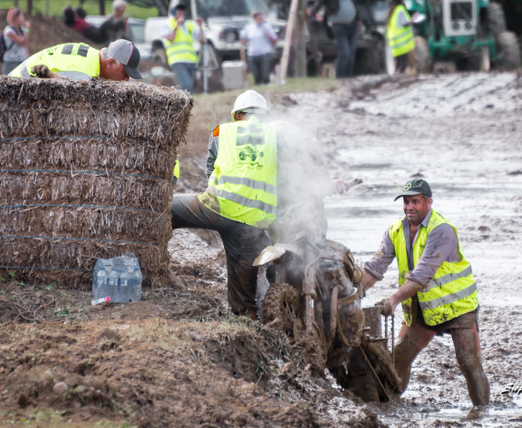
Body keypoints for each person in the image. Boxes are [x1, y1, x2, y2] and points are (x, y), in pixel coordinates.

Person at [171, 90, 344, 320]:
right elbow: (306, 144)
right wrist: (326, 181)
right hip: (252, 222)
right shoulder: (275, 132)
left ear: (237, 115)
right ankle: (249, 317)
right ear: (264, 115)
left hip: (217, 207)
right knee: (244, 302)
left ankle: (155, 267)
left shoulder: (220, 132)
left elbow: (210, 172)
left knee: (164, 210)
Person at [363, 178, 490, 407]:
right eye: (406, 202)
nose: (409, 207)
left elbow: (422, 274)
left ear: (428, 202)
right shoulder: (395, 230)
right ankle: (388, 406)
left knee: (468, 362)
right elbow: (376, 267)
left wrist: (393, 300)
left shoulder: (441, 230)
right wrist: (356, 291)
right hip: (422, 308)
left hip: (457, 306)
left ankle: (482, 411)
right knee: (398, 357)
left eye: (415, 202)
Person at [9, 39, 142, 81]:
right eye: (125, 73)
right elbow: (63, 83)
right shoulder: (85, 73)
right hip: (15, 88)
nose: (126, 80)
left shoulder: (90, 53)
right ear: (111, 63)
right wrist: (52, 76)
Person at [162, 2, 205, 94]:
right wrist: (177, 24)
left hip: (190, 60)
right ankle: (182, 101)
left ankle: (183, 100)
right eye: (179, 12)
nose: (181, 14)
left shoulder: (189, 24)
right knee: (186, 85)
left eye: (183, 12)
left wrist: (200, 26)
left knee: (190, 86)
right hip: (177, 60)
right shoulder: (169, 23)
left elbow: (201, 40)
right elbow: (170, 38)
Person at [310, 0, 358, 78]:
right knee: (345, 53)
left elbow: (355, 6)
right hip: (339, 27)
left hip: (352, 25)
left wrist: (358, 19)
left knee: (352, 53)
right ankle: (340, 77)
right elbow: (320, 2)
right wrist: (313, 11)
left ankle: (348, 77)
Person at [240, 12, 278, 85]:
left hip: (265, 54)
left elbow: (274, 39)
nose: (261, 20)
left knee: (265, 74)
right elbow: (243, 38)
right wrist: (244, 41)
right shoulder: (249, 27)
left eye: (262, 18)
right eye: (259, 18)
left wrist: (269, 36)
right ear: (255, 19)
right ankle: (258, 86)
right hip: (252, 54)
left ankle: (267, 84)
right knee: (256, 75)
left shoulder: (266, 27)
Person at [387, 0, 416, 74]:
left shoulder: (393, 10)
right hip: (402, 45)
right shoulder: (400, 9)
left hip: (396, 46)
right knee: (403, 68)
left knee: (398, 67)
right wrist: (413, 19)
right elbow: (405, 23)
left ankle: (395, 79)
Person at [2, 7, 30, 75]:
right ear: (16, 18)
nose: (23, 18)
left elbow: (25, 46)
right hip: (12, 62)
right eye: (21, 16)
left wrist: (27, 57)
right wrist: (27, 29)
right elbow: (22, 42)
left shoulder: (22, 29)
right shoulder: (9, 31)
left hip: (22, 60)